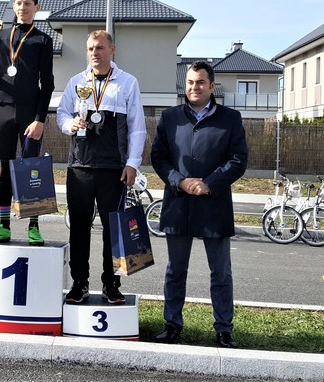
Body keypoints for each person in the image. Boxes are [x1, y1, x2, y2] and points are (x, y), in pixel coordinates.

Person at [150, 60, 248, 347]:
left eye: (201, 82)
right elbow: (158, 157)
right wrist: (179, 181)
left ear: (211, 86)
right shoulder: (170, 118)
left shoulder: (230, 118)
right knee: (175, 271)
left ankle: (224, 329)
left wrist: (210, 183)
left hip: (213, 205)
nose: (195, 87)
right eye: (191, 82)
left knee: (221, 272)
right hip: (179, 203)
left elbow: (238, 160)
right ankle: (172, 325)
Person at [57, 30, 146, 305]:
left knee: (113, 230)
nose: (94, 53)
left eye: (100, 48)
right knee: (79, 228)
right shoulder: (76, 82)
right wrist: (70, 124)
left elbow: (137, 127)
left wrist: (132, 164)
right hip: (80, 167)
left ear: (112, 49)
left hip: (113, 169)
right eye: (90, 49)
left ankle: (111, 284)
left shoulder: (127, 82)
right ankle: (79, 283)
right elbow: (61, 114)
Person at [0, 0, 54, 246]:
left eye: (27, 3)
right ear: (13, 6)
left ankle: (33, 225)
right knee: (5, 167)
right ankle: (3, 225)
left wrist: (40, 119)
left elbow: (48, 84)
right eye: (19, 3)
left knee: (31, 169)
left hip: (30, 113)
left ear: (36, 7)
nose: (23, 7)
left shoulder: (43, 40)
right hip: (4, 109)